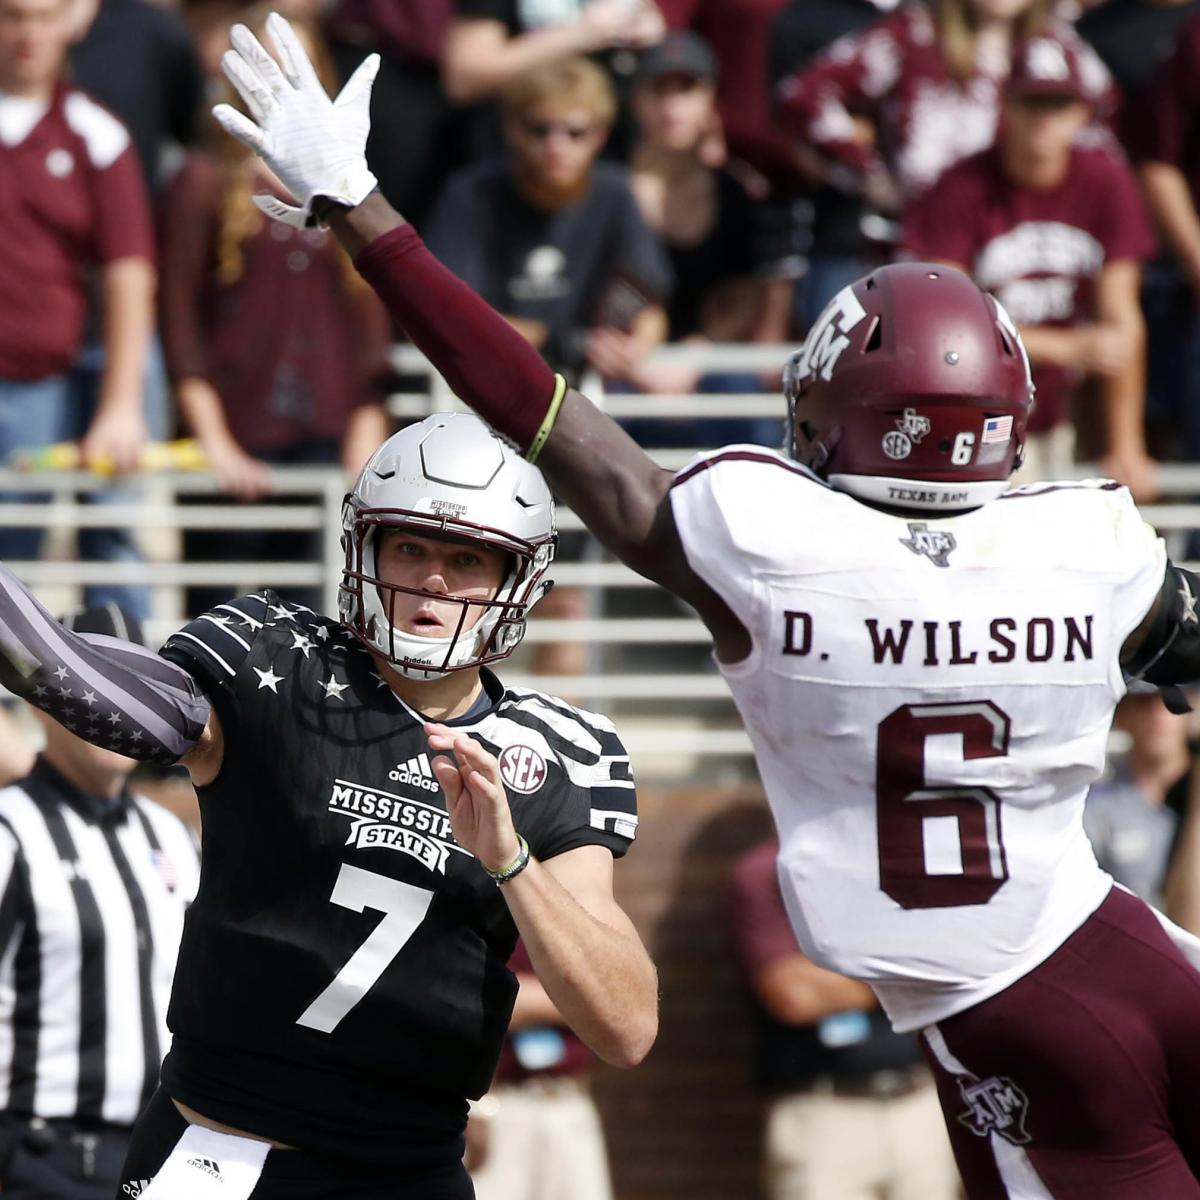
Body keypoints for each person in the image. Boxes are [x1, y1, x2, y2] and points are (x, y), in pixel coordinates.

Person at [213, 16, 1200, 1193]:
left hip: (1008, 1019)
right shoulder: (1088, 543)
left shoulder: (775, 542)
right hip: (1139, 957)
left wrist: (365, 215)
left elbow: (547, 416)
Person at [0, 412, 656, 1200]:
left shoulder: (560, 750)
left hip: (409, 1173)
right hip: (219, 1157)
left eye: (466, 557)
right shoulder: (275, 658)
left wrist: (511, 862)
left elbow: (626, 1028)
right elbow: (84, 680)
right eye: (409, 546)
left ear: (518, 581)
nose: (434, 581)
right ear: (363, 545)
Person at [158, 6, 391, 615]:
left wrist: (367, 418)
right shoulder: (202, 181)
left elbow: (371, 306)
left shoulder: (348, 181)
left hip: (321, 428)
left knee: (305, 619)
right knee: (213, 616)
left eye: (300, 64)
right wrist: (213, 440)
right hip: (233, 430)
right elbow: (179, 320)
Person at [0, 605, 200, 1200]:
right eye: (92, 684)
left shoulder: (169, 837)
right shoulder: (10, 833)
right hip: (39, 1162)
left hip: (165, 1158)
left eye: (134, 689)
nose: (113, 710)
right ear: (43, 702)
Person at [900, 33, 1157, 494]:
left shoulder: (1106, 181)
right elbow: (945, 323)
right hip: (977, 411)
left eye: (1057, 104)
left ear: (1080, 112)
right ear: (1005, 106)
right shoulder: (962, 187)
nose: (1043, 119)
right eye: (1030, 103)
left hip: (1068, 409)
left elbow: (1124, 321)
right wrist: (1068, 347)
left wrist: (1126, 443)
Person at [0, 0, 156, 614]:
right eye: (13, 16)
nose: (29, 34)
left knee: (111, 540)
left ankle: (124, 689)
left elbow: (129, 272)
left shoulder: (96, 132)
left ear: (73, 19)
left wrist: (121, 404)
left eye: (44, 16)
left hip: (59, 376)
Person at [732, 837, 959, 1200]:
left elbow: (949, 959)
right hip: (824, 1110)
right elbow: (793, 995)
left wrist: (901, 973)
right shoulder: (767, 869)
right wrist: (901, 974)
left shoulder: (900, 855)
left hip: (918, 1100)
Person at [426, 54, 673, 388]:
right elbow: (446, 312)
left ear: (599, 136)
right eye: (540, 130)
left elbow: (648, 299)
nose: (556, 146)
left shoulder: (616, 193)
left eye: (575, 132)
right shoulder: (470, 196)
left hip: (594, 393)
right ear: (512, 130)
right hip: (485, 390)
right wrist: (555, 341)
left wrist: (634, 346)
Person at [469, 941, 615, 1200]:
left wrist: (527, 1001)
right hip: (502, 1102)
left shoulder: (579, 913)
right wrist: (576, 1000)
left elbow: (613, 1001)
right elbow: (475, 994)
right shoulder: (491, 912)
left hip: (568, 1100)